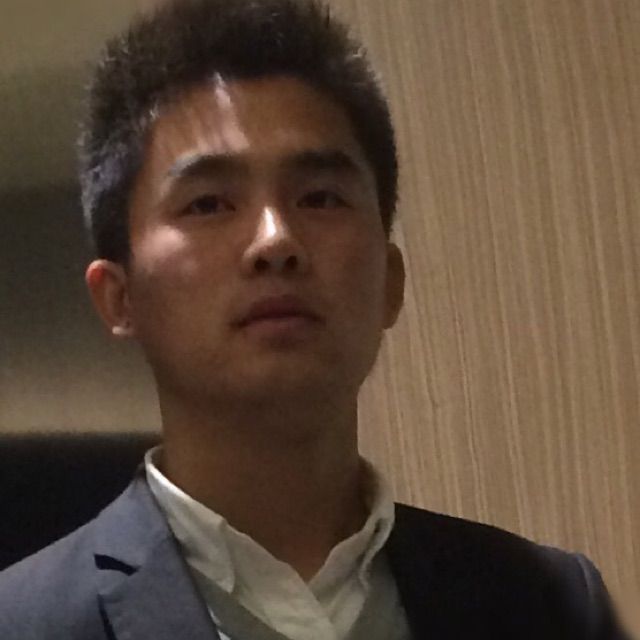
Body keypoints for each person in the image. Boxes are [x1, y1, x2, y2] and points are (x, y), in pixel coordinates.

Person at [0, 0, 629, 638]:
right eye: (209, 203)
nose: (276, 240)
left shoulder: (553, 604)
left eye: (320, 197)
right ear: (119, 297)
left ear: (390, 283)